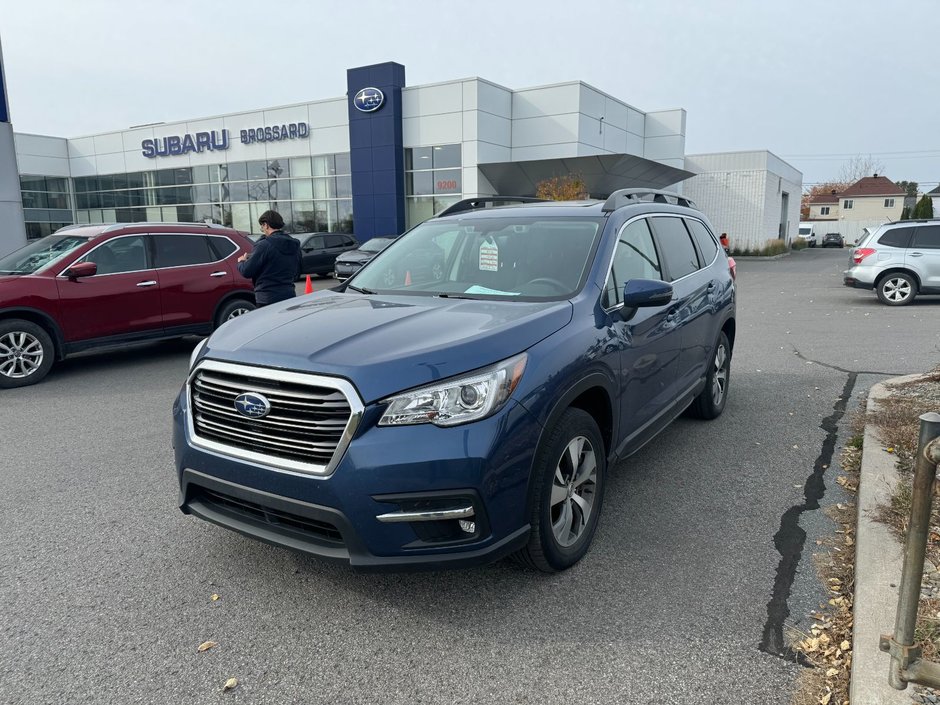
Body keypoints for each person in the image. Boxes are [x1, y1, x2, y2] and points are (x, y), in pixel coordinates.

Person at [237, 210, 302, 306]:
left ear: (266, 225)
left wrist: (241, 262)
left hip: (267, 298)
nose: (262, 230)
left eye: (262, 226)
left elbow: (247, 271)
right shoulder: (294, 244)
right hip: (289, 295)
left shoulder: (264, 245)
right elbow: (297, 272)